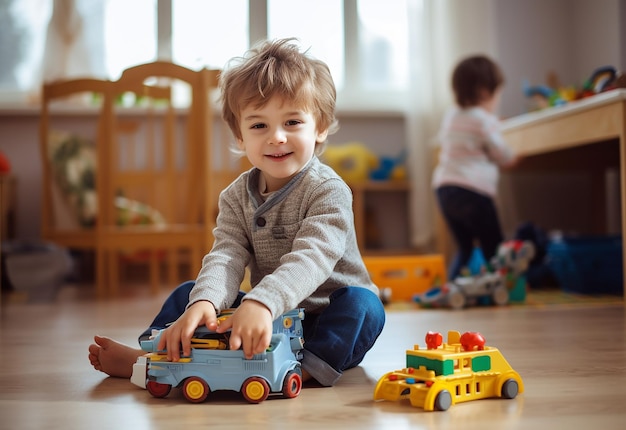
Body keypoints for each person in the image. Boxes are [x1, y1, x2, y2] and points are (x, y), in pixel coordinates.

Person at [88, 38, 386, 388]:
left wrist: (262, 302)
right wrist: (206, 303)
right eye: (259, 126)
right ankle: (159, 356)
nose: (276, 137)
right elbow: (226, 256)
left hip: (324, 319)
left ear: (319, 127)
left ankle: (299, 370)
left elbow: (312, 257)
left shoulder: (328, 191)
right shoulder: (234, 197)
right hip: (269, 318)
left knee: (364, 305)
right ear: (240, 136)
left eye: (292, 122)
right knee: (191, 292)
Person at [432, 54, 518, 280]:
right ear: (483, 91)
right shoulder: (484, 119)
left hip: (445, 190)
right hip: (473, 192)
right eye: (497, 92)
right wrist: (515, 156)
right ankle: (503, 285)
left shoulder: (452, 115)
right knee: (493, 246)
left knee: (465, 247)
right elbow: (502, 154)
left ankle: (452, 287)